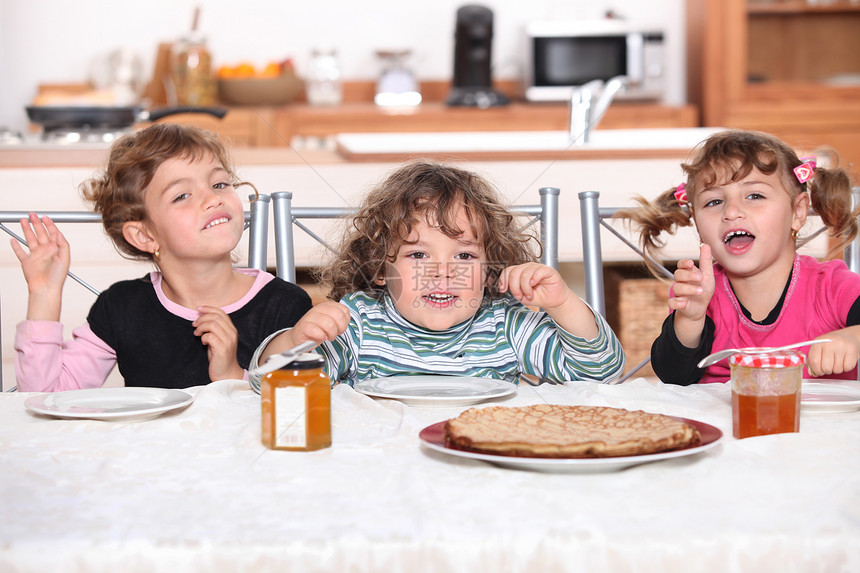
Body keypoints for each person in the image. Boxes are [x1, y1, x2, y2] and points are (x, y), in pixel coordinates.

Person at [253, 161, 624, 386]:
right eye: (418, 254)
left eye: (464, 255)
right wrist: (295, 341)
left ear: (489, 269)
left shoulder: (505, 326)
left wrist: (562, 304)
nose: (443, 273)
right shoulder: (359, 322)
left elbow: (600, 373)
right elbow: (275, 384)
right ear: (381, 267)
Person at [12, 123, 312, 391]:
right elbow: (44, 397)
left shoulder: (286, 306)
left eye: (219, 183)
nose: (213, 198)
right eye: (182, 195)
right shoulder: (121, 308)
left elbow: (300, 414)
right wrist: (44, 294)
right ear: (145, 236)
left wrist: (234, 377)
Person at [616, 129, 860, 384]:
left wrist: (853, 336)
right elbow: (674, 376)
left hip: (819, 424)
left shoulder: (831, 286)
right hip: (723, 423)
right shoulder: (701, 295)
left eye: (755, 196)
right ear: (697, 224)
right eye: (713, 202)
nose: (731, 212)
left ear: (798, 212)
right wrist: (691, 320)